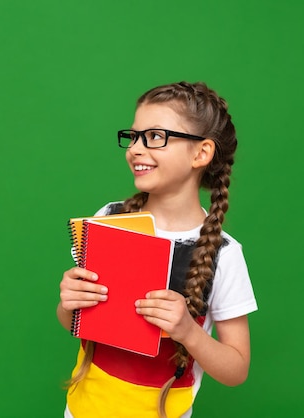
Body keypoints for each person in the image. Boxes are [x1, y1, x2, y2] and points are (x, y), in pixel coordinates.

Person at [56, 81, 258, 418]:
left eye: (155, 137)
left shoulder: (224, 253)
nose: (135, 148)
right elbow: (72, 321)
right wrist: (68, 303)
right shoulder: (110, 218)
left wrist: (188, 331)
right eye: (133, 136)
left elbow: (236, 369)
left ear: (201, 153)